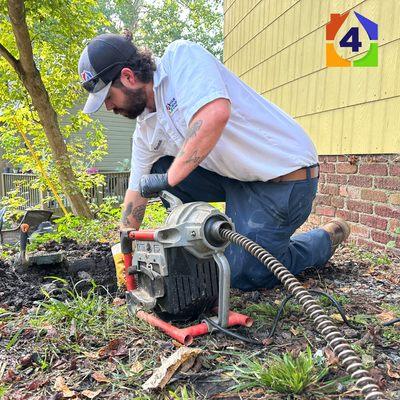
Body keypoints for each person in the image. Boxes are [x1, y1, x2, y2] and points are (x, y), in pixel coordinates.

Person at [78, 33, 350, 291]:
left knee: (246, 274)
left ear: (128, 77)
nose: (109, 108)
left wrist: (171, 179)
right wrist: (125, 241)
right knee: (157, 172)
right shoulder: (145, 130)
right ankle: (198, 250)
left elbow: (214, 115)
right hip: (236, 179)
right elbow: (137, 188)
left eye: (109, 98)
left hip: (283, 178)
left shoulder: (181, 59)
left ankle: (325, 238)